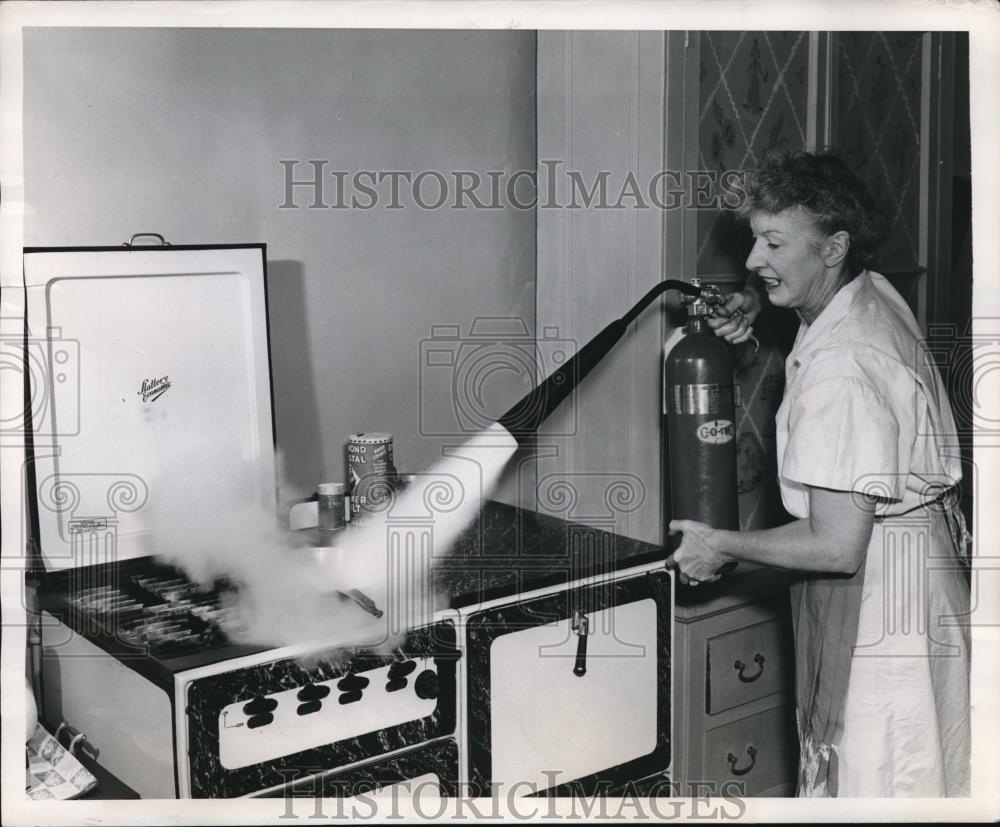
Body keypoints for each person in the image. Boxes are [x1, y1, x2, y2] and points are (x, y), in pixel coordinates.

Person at [667, 150, 971, 797]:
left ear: (832, 247)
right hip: (920, 575)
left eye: (773, 242)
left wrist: (722, 544)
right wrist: (761, 304)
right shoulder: (868, 291)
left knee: (880, 779)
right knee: (927, 771)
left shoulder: (842, 368)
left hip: (883, 606)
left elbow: (835, 544)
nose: (752, 259)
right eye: (755, 238)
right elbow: (822, 316)